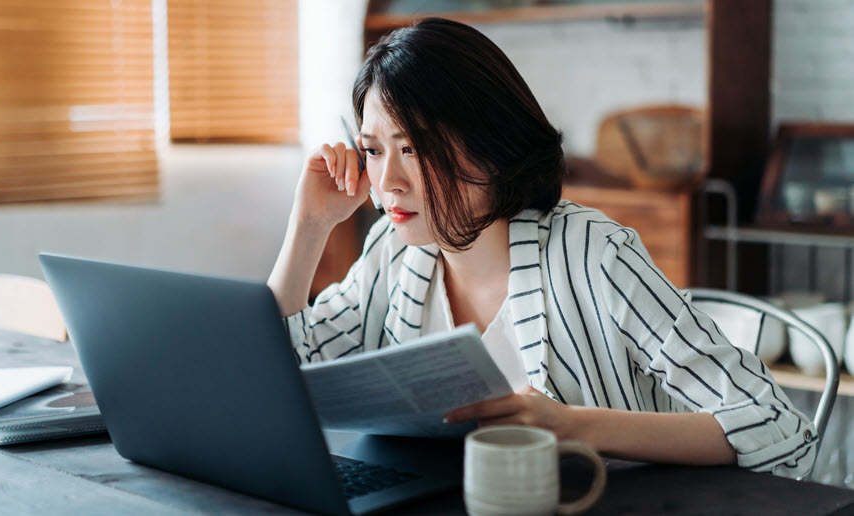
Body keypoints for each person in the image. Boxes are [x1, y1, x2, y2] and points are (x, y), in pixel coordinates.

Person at [267, 17, 815, 478]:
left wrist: (573, 425)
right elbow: (276, 372)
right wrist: (308, 226)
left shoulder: (593, 254)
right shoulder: (394, 249)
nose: (388, 182)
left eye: (412, 148)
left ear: (490, 146)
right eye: (373, 150)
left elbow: (775, 424)